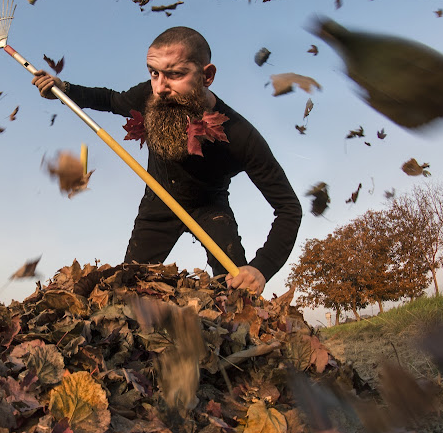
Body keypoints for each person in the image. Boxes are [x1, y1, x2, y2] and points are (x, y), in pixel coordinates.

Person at [32, 27, 302, 296]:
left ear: (207, 76)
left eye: (175, 74)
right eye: (153, 73)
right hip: (157, 203)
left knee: (235, 292)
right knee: (128, 291)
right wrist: (63, 88)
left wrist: (262, 268)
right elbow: (110, 99)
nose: (160, 87)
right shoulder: (151, 96)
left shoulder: (241, 136)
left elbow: (289, 207)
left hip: (210, 208)